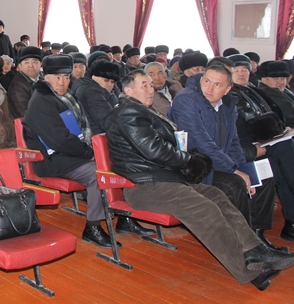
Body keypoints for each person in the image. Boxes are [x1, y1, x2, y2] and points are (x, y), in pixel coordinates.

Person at [104, 70, 294, 291]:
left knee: (216, 195)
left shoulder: (143, 111)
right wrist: (191, 160)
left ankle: (255, 250)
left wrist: (188, 158)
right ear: (128, 90)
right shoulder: (128, 113)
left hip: (164, 180)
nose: (150, 89)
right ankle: (248, 270)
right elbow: (155, 150)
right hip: (144, 186)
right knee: (204, 209)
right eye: (143, 85)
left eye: (150, 84)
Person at [23, 55, 153, 248]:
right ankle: (93, 227)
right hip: (53, 160)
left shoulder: (66, 96)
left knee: (119, 162)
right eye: (57, 77)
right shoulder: (41, 102)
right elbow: (60, 140)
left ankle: (124, 217)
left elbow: (84, 127)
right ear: (46, 77)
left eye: (66, 77)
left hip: (71, 154)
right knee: (97, 174)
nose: (62, 82)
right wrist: (89, 153)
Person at [168, 66, 277, 248]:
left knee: (263, 176)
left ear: (227, 89)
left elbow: (233, 141)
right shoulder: (186, 100)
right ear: (201, 80)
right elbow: (201, 142)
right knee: (236, 183)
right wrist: (235, 171)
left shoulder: (228, 104)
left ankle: (258, 235)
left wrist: (243, 167)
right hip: (195, 167)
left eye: (217, 85)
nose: (209, 88)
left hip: (218, 162)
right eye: (207, 81)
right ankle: (245, 245)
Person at [228, 55, 294, 243]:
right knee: (284, 154)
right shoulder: (230, 95)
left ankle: (291, 223)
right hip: (250, 144)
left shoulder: (252, 90)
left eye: (245, 70)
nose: (241, 73)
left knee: (284, 156)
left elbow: (271, 115)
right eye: (236, 70)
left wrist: (281, 129)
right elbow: (243, 126)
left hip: (268, 139)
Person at [72, 60, 120, 135]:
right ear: (94, 77)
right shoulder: (92, 92)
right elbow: (107, 123)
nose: (109, 84)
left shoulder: (85, 87)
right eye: (106, 80)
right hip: (100, 136)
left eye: (112, 82)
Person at [7, 46, 42, 118]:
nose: (31, 65)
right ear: (19, 66)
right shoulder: (17, 86)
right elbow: (25, 114)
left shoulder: (44, 79)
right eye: (26, 62)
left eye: (35, 62)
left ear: (41, 64)